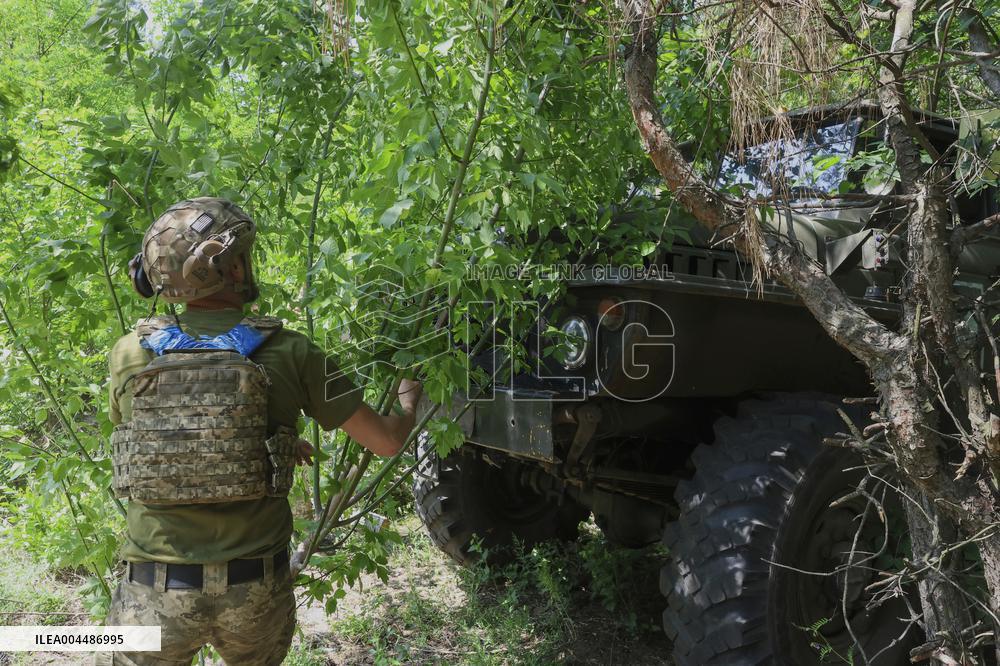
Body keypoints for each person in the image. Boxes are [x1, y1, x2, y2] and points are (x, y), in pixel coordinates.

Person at [97, 197, 420, 666]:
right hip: (254, 592)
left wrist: (260, 442)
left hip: (153, 592)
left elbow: (155, 441)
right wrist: (409, 404)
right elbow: (386, 442)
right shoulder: (292, 351)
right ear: (229, 268)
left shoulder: (128, 353)